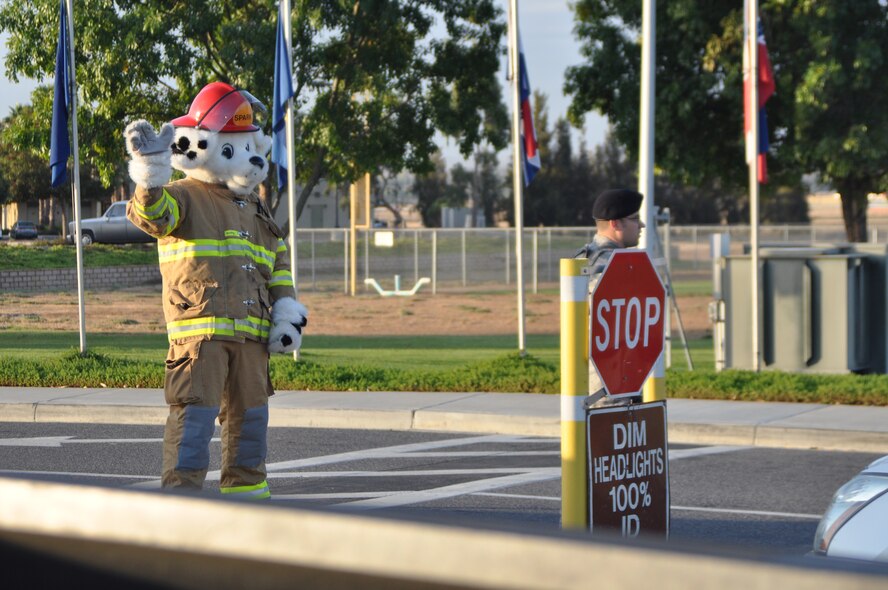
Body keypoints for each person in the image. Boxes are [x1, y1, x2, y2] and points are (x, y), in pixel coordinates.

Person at [580, 188, 646, 405]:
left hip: (610, 376)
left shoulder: (585, 257)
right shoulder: (608, 265)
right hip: (607, 383)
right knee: (605, 434)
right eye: (635, 219)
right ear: (615, 224)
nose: (642, 225)